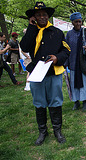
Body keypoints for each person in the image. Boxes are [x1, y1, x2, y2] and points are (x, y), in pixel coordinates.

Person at [20, 2, 70, 145]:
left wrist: (57, 58)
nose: (41, 17)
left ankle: (57, 131)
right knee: (39, 103)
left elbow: (67, 50)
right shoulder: (32, 31)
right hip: (36, 74)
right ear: (34, 17)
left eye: (44, 14)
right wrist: (31, 27)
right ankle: (43, 132)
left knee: (55, 102)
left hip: (53, 73)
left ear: (48, 16)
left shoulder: (57, 32)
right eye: (38, 15)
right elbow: (24, 46)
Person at [65, 12, 86, 111]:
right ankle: (76, 102)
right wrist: (66, 63)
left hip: (83, 63)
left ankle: (85, 102)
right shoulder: (69, 34)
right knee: (74, 84)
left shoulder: (85, 33)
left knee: (85, 83)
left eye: (80, 21)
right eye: (76, 22)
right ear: (72, 23)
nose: (78, 24)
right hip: (73, 63)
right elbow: (65, 49)